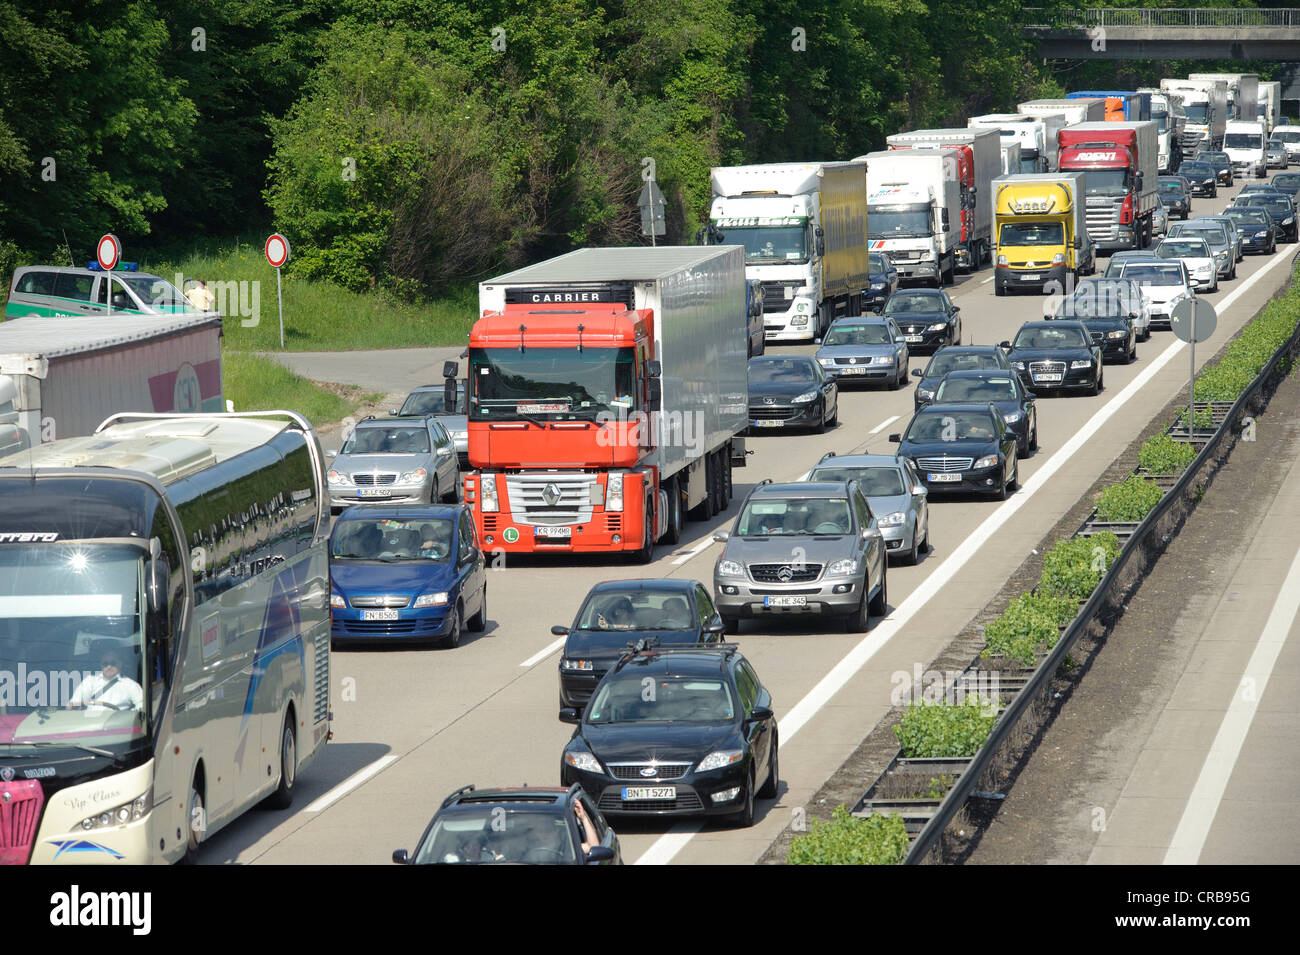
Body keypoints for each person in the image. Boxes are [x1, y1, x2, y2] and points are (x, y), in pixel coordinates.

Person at [67, 649, 144, 712]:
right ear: (101, 665)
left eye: (113, 663)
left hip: (118, 727)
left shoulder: (130, 685)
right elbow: (73, 704)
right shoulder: (90, 681)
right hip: (90, 724)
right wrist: (73, 706)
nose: (109, 666)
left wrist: (129, 716)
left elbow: (142, 705)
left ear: (120, 664)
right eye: (105, 663)